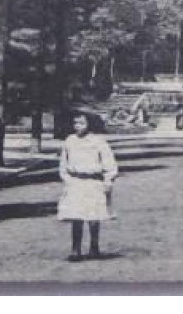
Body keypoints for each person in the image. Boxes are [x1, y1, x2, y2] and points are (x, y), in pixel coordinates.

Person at [57, 112, 118, 261]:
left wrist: (108, 179)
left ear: (89, 124)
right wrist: (67, 179)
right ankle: (75, 249)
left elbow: (109, 163)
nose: (78, 126)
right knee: (76, 216)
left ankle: (94, 247)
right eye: (75, 123)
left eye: (81, 123)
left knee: (93, 216)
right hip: (76, 182)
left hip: (93, 182)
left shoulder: (98, 142)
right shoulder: (70, 141)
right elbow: (63, 164)